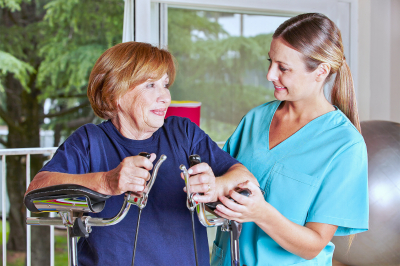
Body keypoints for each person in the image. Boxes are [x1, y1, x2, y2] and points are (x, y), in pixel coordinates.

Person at [25, 42, 256, 266]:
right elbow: (35, 193)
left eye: (165, 84)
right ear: (115, 93)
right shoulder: (89, 141)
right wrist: (106, 181)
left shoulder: (183, 132)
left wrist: (215, 184)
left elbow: (245, 179)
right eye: (150, 85)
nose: (165, 97)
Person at [211, 13, 369, 266]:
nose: (270, 74)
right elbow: (221, 180)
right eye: (270, 62)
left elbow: (313, 245)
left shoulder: (345, 145)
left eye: (283, 68)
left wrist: (261, 213)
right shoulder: (256, 119)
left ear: (320, 71)